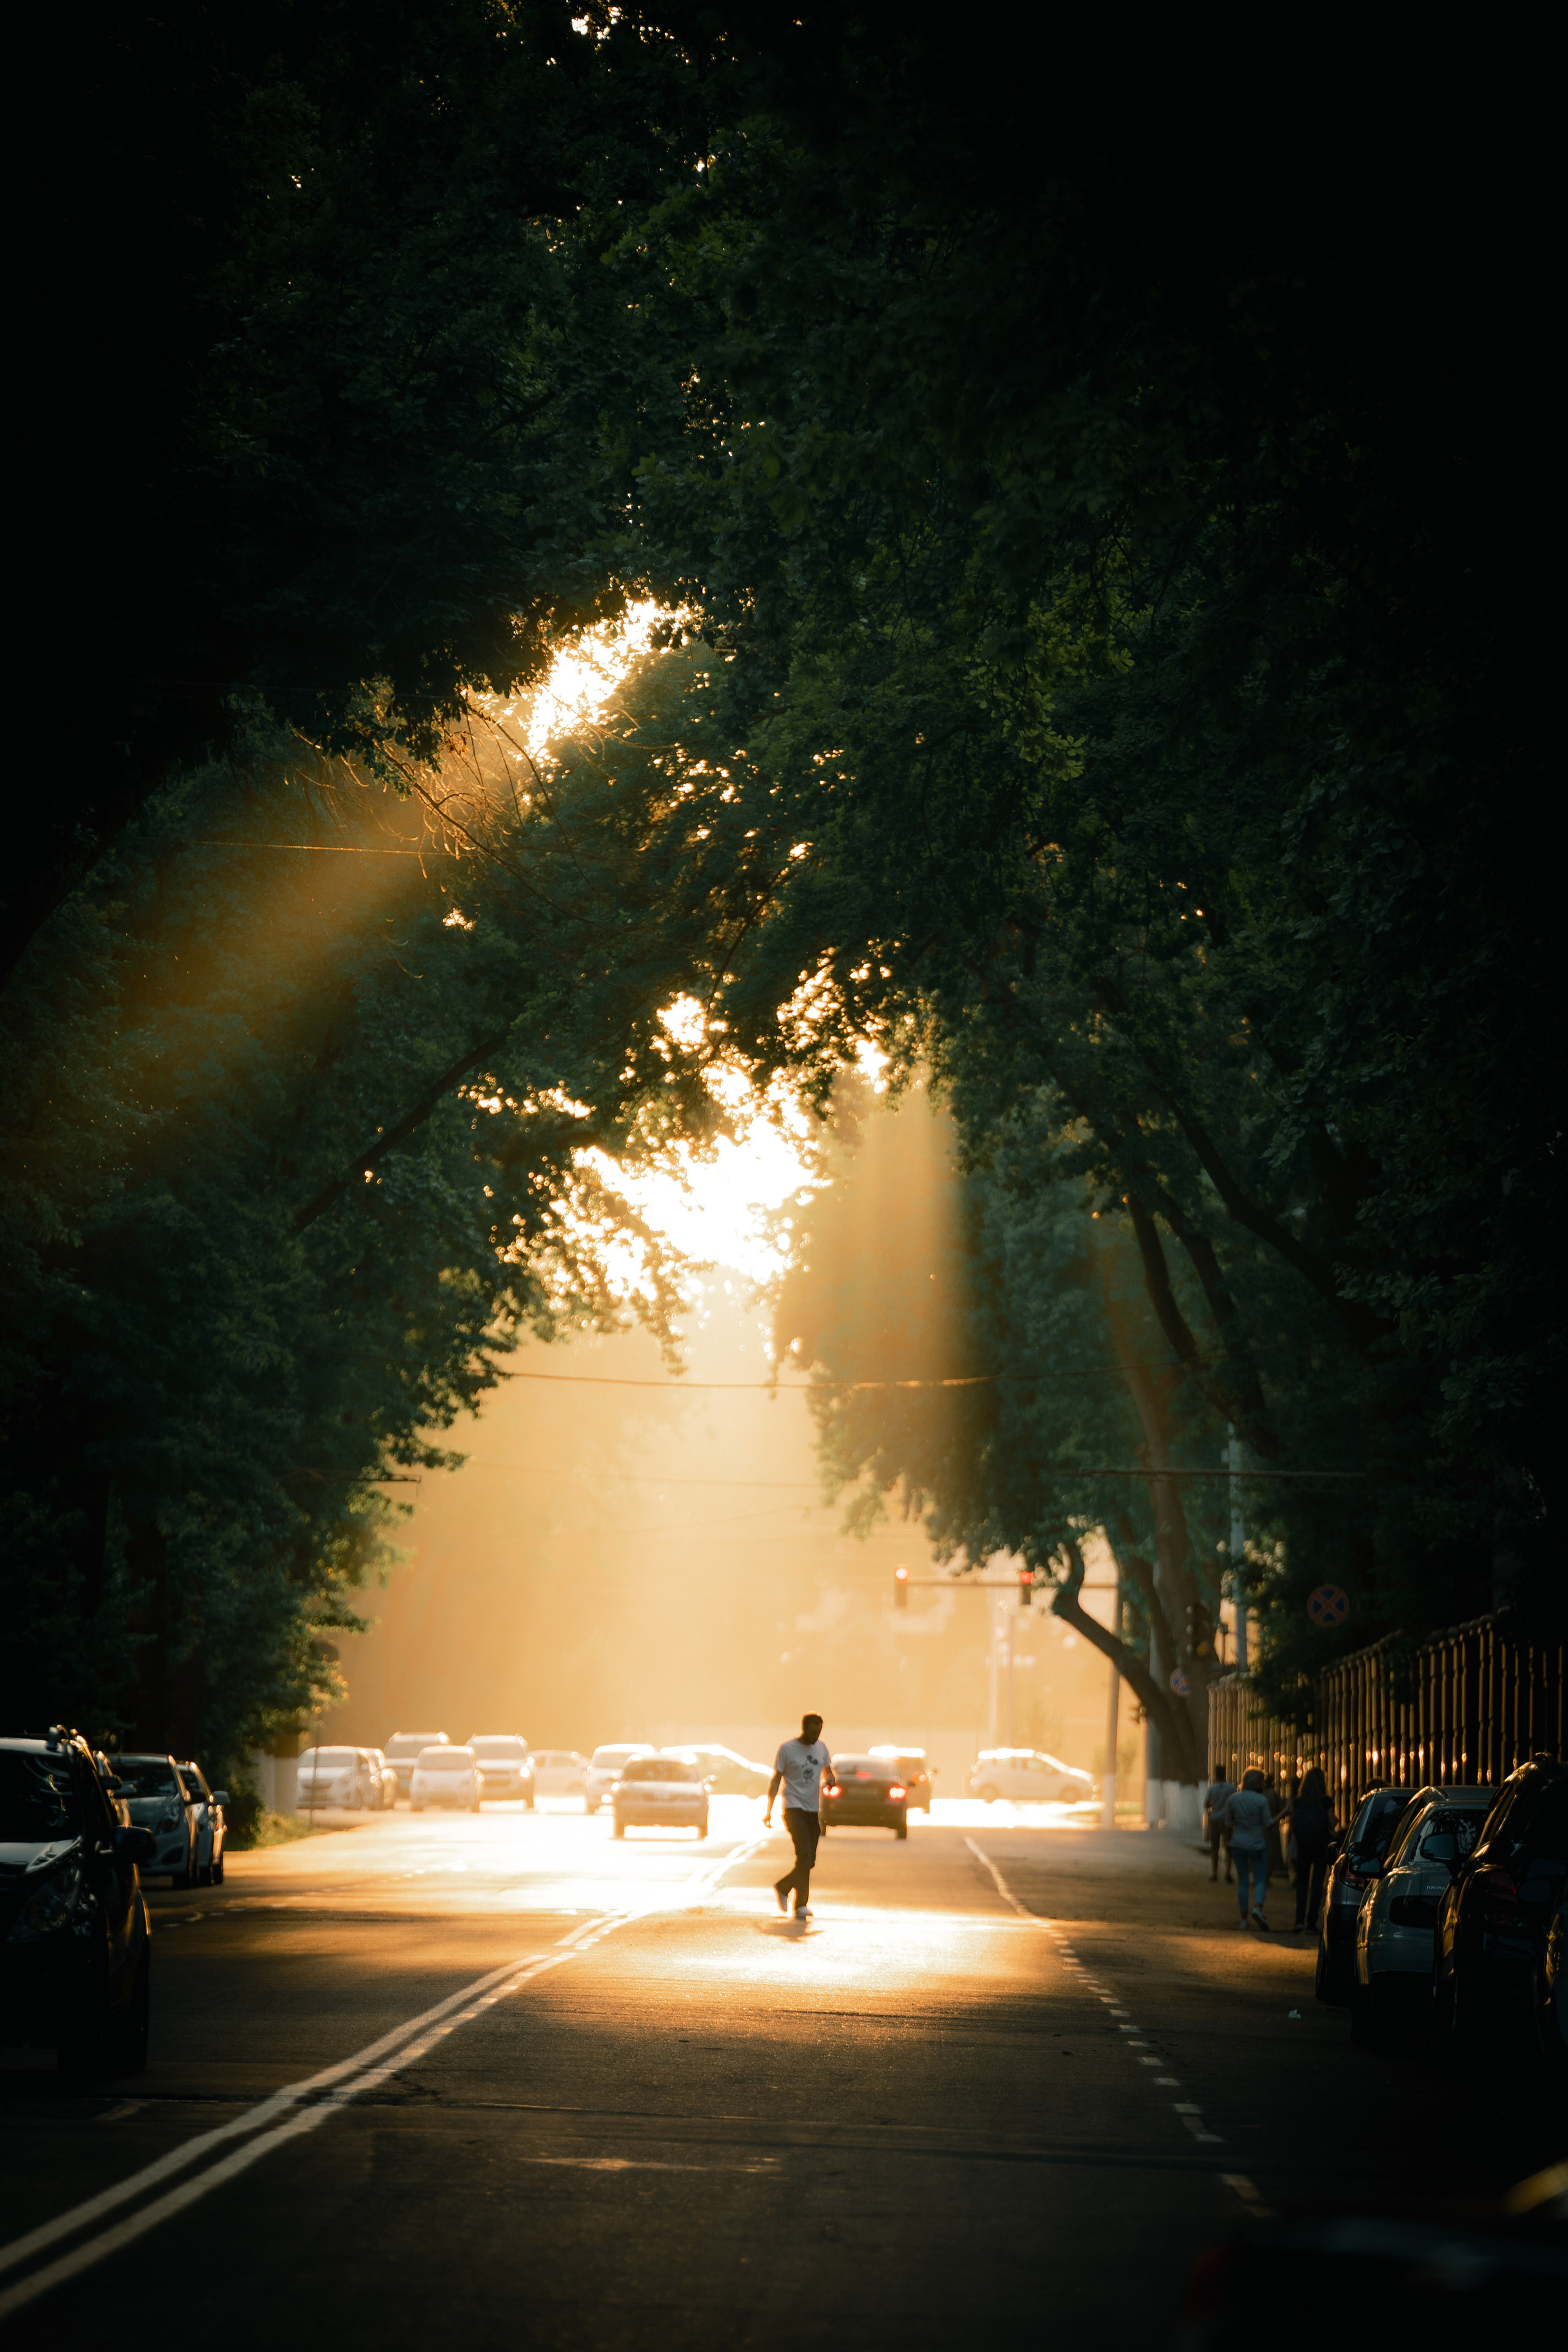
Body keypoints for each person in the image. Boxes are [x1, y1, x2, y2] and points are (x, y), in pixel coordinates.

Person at [766, 1712, 831, 1920]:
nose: (816, 1737)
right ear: (804, 1729)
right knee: (803, 1855)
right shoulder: (787, 1749)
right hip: (793, 1808)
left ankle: (784, 1887)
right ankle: (801, 1904)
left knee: (809, 1860)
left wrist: (831, 1780)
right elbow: (776, 1779)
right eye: (813, 1732)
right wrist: (768, 1810)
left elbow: (828, 1772)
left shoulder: (821, 1747)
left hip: (813, 1810)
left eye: (819, 1732)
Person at [1286, 1765, 1336, 1931]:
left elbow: (1293, 1823)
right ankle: (1311, 1921)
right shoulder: (1326, 1801)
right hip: (1321, 1844)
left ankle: (1298, 1920)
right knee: (1317, 1885)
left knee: (1302, 1883)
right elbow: (1332, 1823)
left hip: (1303, 1845)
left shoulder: (1298, 1801)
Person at [1224, 1768, 1275, 1929]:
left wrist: (1228, 1842)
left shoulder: (1233, 1800)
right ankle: (1257, 1909)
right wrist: (1284, 1813)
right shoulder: (1261, 1800)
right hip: (1257, 1845)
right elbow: (1269, 1824)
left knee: (1243, 1882)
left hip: (1237, 1844)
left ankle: (1244, 1920)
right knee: (1260, 1879)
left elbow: (1228, 1825)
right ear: (1258, 1782)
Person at [1202, 1761, 1237, 1883]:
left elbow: (1207, 1805)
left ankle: (1215, 1873)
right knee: (1228, 1846)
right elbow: (1235, 1803)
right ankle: (1228, 1873)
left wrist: (1214, 1805)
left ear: (1216, 1775)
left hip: (1215, 1819)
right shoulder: (1232, 1788)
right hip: (1228, 1821)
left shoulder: (1212, 1789)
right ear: (1225, 1774)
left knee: (1215, 1848)